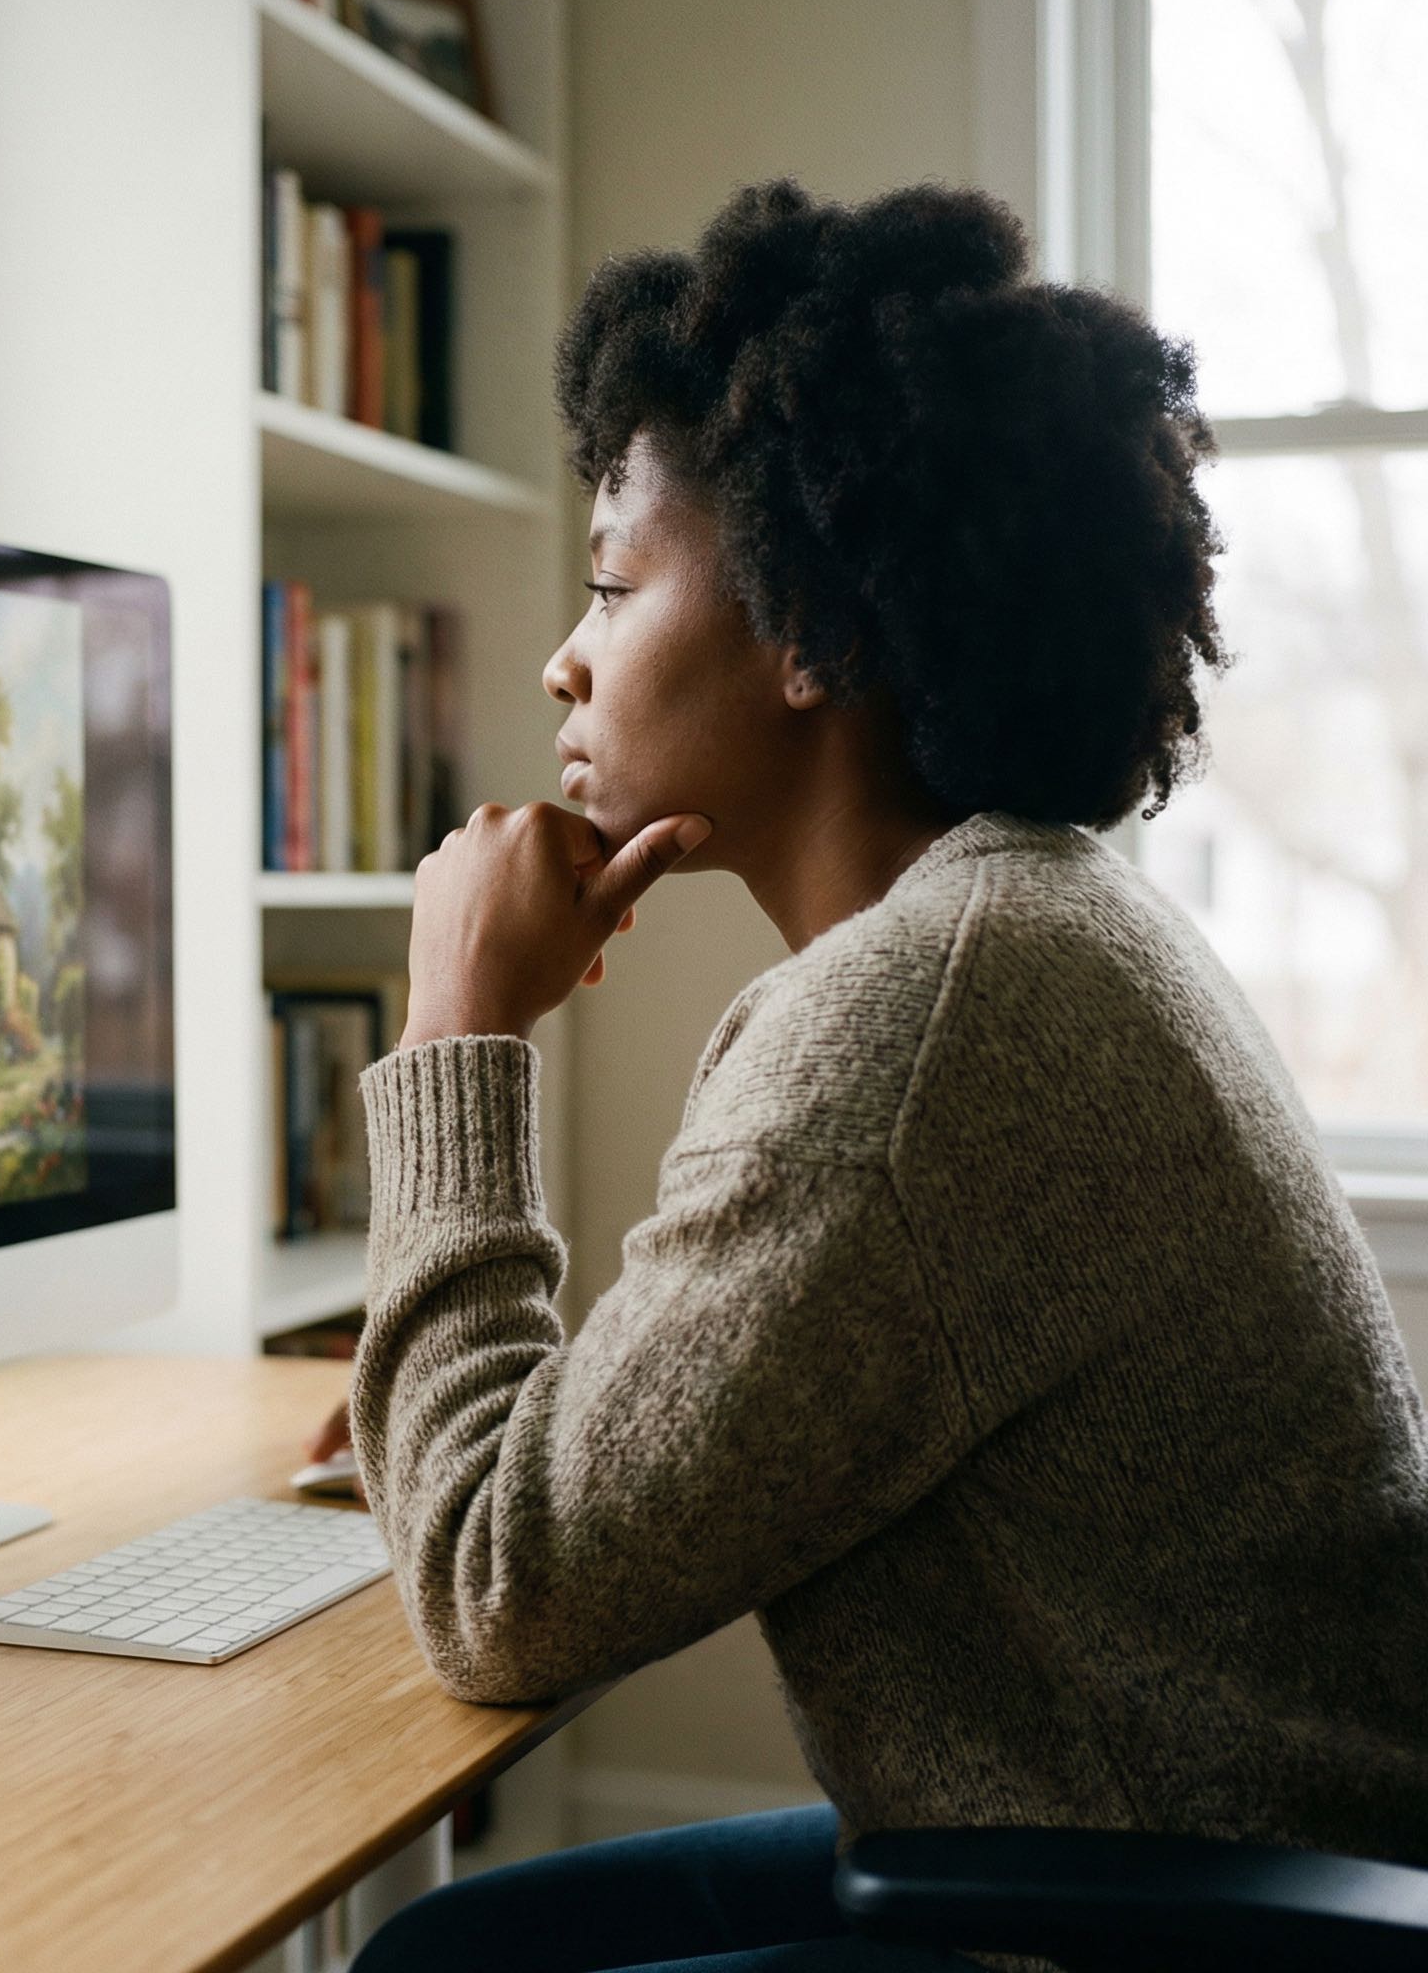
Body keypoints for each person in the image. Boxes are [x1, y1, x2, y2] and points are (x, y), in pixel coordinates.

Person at [303, 178, 1428, 1973]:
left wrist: (459, 1037)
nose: (562, 659)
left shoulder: (918, 1017)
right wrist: (472, 1388)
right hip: (1176, 1858)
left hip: (1163, 1933)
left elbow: (490, 1594)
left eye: (611, 584)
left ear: (816, 637)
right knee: (460, 1954)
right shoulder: (1019, 927)